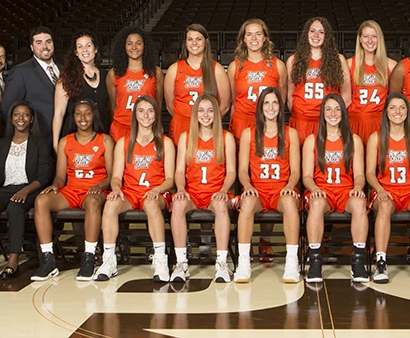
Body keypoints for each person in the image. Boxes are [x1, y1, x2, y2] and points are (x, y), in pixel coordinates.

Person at [30, 99, 114, 281]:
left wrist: (100, 186)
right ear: (73, 117)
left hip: (95, 191)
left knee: (92, 201)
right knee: (41, 201)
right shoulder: (64, 142)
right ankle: (48, 259)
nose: (83, 117)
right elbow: (61, 176)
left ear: (94, 116)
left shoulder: (105, 140)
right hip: (72, 190)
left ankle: (89, 257)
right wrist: (55, 185)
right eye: (78, 113)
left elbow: (111, 175)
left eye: (87, 113)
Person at [95, 96, 175, 282]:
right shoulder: (124, 143)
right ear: (135, 114)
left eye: (150, 110)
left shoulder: (165, 143)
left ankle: (160, 259)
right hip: (130, 192)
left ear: (156, 114)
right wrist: (115, 189)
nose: (146, 115)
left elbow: (170, 179)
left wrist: (157, 189)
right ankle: (109, 260)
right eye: (141, 111)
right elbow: (116, 177)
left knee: (151, 204)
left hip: (155, 192)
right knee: (110, 204)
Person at [0, 101, 52, 279]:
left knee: (14, 208)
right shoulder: (2, 144)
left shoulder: (39, 143)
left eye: (26, 115)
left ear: (32, 119)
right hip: (5, 189)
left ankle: (13, 260)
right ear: (11, 119)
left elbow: (43, 176)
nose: (21, 118)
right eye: (16, 114)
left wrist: (25, 191)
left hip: (30, 189)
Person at [233, 88, 302, 283]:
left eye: (275, 103)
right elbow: (242, 171)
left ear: (280, 107)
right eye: (266, 103)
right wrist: (247, 186)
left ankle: (291, 261)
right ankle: (244, 261)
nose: (271, 107)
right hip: (258, 191)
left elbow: (296, 170)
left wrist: (289, 185)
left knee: (289, 203)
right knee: (246, 204)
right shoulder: (249, 134)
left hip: (281, 190)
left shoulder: (291, 134)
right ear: (260, 107)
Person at [170, 94, 237, 283]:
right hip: (192, 193)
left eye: (210, 110)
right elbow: (179, 171)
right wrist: (181, 189)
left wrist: (223, 190)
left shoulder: (226, 138)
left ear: (216, 113)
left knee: (222, 206)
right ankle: (181, 263)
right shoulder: (186, 138)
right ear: (195, 114)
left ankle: (222, 263)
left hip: (216, 193)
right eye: (201, 110)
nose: (205, 115)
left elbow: (231, 172)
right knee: (177, 205)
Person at [365, 93, 410, 283]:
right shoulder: (376, 138)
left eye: (402, 107)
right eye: (393, 107)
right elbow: (370, 172)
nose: (397, 112)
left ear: (408, 112)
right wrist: (380, 189)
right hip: (386, 190)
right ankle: (381, 262)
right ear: (386, 112)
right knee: (384, 207)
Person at [302, 94, 368, 283]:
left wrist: (357, 186)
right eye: (328, 109)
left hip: (345, 191)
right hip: (322, 191)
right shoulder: (312, 141)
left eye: (337, 109)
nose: (333, 113)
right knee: (315, 205)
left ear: (343, 113)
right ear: (322, 113)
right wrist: (314, 188)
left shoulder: (353, 140)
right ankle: (315, 260)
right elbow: (306, 176)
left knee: (359, 204)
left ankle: (358, 260)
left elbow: (360, 175)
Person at [287, 17, 351, 141]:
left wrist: (331, 117)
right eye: (312, 31)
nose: (316, 35)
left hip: (326, 122)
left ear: (327, 36)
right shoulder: (293, 61)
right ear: (306, 34)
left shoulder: (338, 60)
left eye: (321, 32)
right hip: (301, 121)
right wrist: (300, 112)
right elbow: (290, 94)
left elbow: (346, 96)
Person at [164, 24, 231, 142]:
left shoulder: (217, 69)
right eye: (190, 39)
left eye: (198, 39)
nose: (194, 43)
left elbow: (225, 105)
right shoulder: (174, 69)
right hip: (181, 126)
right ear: (185, 43)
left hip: (208, 127)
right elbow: (170, 105)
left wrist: (208, 123)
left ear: (206, 42)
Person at [227, 18, 288, 142]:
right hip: (241, 122)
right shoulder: (235, 66)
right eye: (249, 34)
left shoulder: (278, 65)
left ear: (265, 37)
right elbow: (233, 99)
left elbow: (281, 99)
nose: (253, 38)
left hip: (268, 122)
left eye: (258, 34)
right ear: (244, 39)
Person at [52, 31, 110, 149]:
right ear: (76, 53)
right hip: (75, 140)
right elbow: (59, 113)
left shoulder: (107, 76)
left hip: (102, 138)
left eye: (88, 45)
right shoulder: (67, 78)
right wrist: (55, 144)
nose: (85, 50)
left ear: (95, 49)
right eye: (80, 46)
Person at [106, 26, 163, 142]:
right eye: (129, 43)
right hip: (121, 127)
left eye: (138, 43)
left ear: (144, 46)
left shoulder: (156, 72)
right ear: (124, 46)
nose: (134, 47)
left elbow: (158, 103)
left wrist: (157, 126)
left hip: (147, 127)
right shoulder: (113, 74)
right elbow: (113, 105)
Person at [1, 26, 58, 139]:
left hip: (64, 136)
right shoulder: (21, 72)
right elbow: (8, 108)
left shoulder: (63, 70)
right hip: (36, 138)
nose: (45, 47)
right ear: (32, 47)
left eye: (48, 42)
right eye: (39, 43)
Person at [348, 20, 397, 142]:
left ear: (379, 39)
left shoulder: (391, 65)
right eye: (365, 36)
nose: (370, 41)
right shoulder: (349, 65)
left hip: (380, 123)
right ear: (360, 39)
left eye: (374, 36)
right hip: (354, 122)